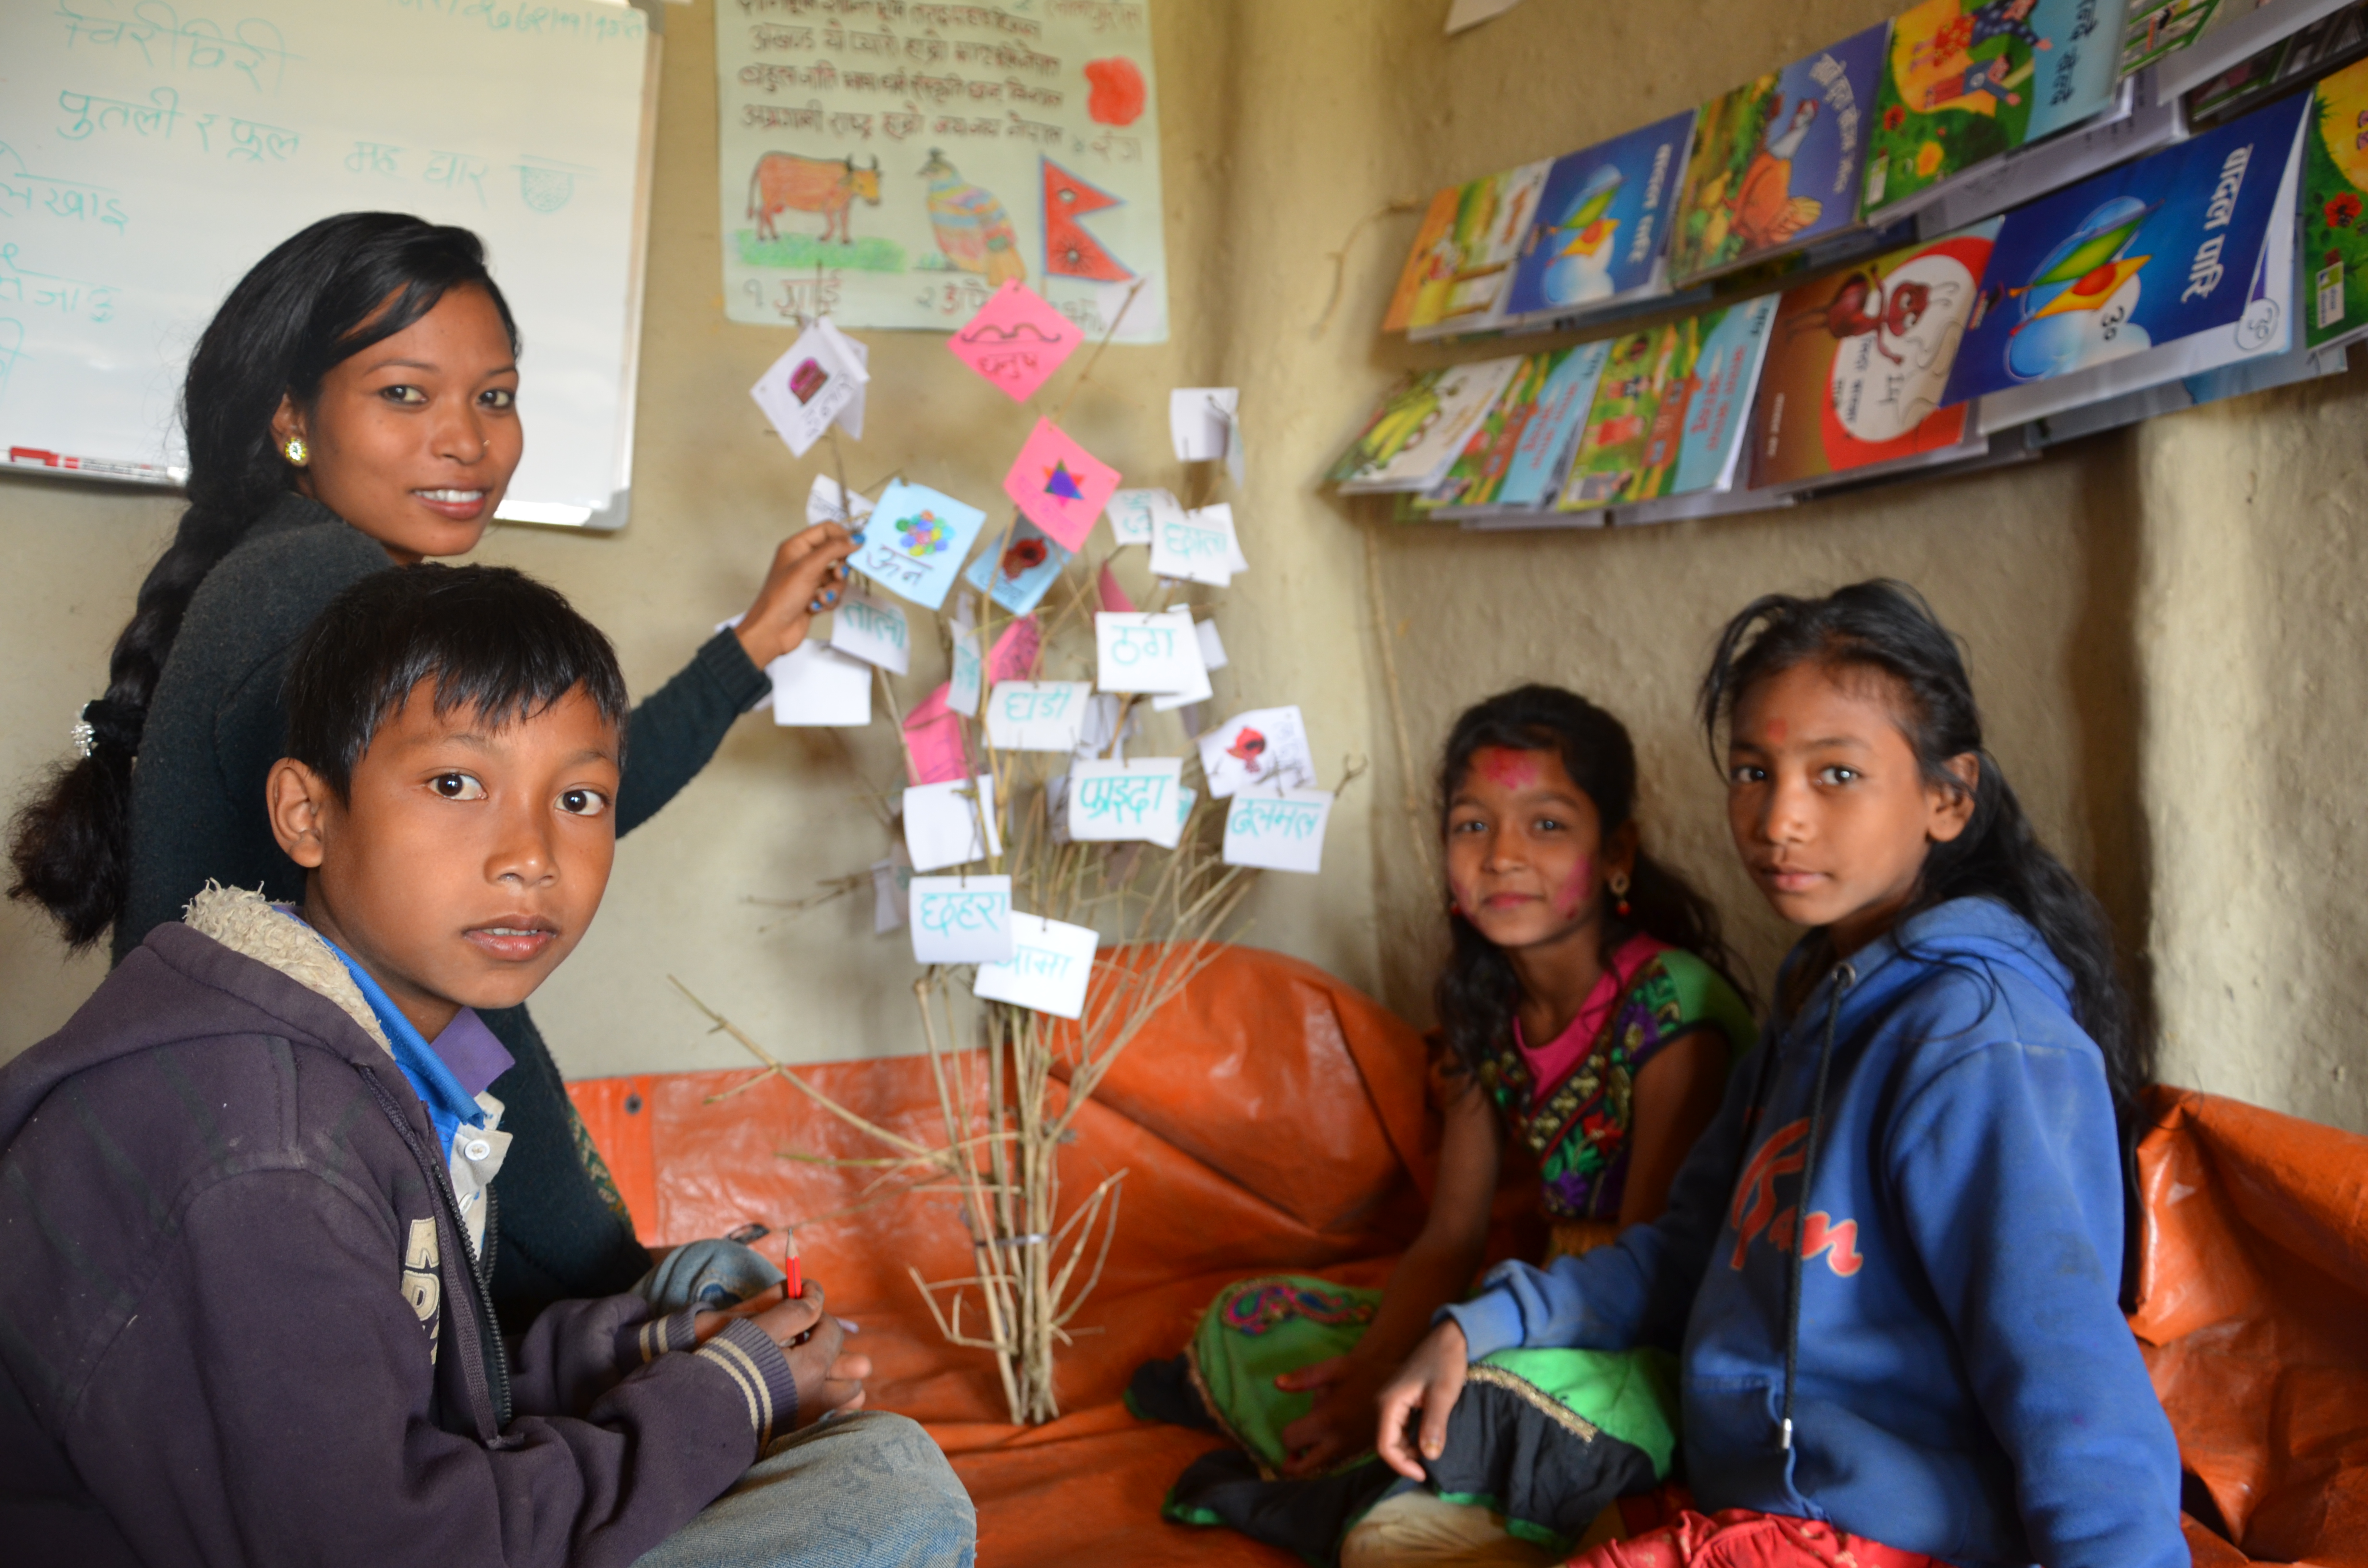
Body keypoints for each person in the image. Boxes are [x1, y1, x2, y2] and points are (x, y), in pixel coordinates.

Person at [0, 564, 974, 1566]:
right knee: (888, 1497)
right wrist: (717, 1401)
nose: (531, 855)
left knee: (717, 1307)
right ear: (307, 813)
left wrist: (644, 1353)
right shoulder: (272, 1152)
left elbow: (408, 1380)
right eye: (455, 783)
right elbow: (385, 1544)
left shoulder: (361, 1054)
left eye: (581, 797)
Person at [5, 212, 858, 1323]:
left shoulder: (300, 572)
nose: (467, 441)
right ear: (293, 418)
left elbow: (551, 807)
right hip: (311, 1200)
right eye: (404, 394)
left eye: (494, 396)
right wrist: (618, 1284)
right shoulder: (320, 587)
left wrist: (748, 650)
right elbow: (446, 995)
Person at [1374, 582, 2183, 1568]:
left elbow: (2072, 1387)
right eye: (1753, 772)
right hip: (1748, 1497)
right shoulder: (1813, 1003)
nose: (1778, 820)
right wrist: (1483, 1325)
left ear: (1947, 796)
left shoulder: (1975, 1045)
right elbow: (1687, 1248)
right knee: (1391, 1530)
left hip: (1883, 1535)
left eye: (1835, 774)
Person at [1134, 686, 1756, 1565]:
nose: (1503, 856)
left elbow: (1654, 1277)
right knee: (1253, 1315)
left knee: (1489, 1396)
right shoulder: (1481, 1008)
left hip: (1643, 1334)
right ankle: (1392, 1464)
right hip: (1528, 1303)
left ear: (1616, 852)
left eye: (1546, 825)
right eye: (1472, 826)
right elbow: (1449, 1236)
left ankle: (1398, 1473)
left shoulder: (1673, 1012)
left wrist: (1447, 1354)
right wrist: (1377, 1375)